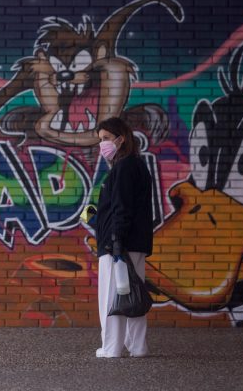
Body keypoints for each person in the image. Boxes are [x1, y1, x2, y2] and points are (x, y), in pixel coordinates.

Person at [88, 117, 153, 358]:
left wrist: (115, 241)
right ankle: (137, 347)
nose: (102, 144)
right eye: (100, 140)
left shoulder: (124, 167)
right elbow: (124, 207)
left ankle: (111, 348)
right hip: (133, 242)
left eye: (105, 138)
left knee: (111, 297)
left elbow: (121, 208)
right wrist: (96, 216)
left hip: (118, 244)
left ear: (120, 138)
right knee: (133, 293)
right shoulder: (135, 165)